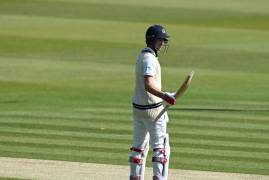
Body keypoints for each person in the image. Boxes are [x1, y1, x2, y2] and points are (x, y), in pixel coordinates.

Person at [129, 24, 176, 180]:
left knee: (138, 148)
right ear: (152, 40)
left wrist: (166, 95)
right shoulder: (149, 59)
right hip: (153, 111)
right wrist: (164, 96)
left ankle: (135, 177)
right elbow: (148, 84)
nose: (162, 43)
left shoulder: (141, 55)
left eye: (163, 40)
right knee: (160, 149)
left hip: (138, 109)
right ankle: (158, 177)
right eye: (160, 40)